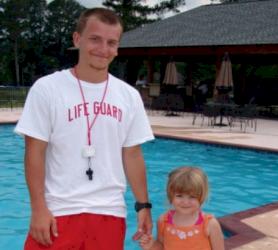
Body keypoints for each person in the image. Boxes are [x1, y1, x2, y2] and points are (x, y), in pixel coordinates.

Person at [15, 7, 154, 250]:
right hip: (57, 210)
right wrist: (38, 209)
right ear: (77, 39)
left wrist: (143, 206)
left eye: (112, 42)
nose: (103, 49)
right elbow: (34, 152)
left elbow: (132, 154)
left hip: (109, 212)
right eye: (95, 39)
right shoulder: (47, 89)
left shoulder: (129, 96)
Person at [139, 166, 224, 250]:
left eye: (192, 196)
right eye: (179, 196)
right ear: (170, 195)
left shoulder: (210, 224)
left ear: (202, 196)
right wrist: (151, 246)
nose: (185, 202)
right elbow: (161, 247)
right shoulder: (163, 221)